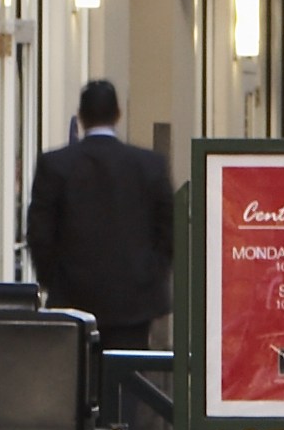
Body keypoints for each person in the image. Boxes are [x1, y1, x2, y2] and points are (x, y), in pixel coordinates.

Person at [23, 78, 174, 343]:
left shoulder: (55, 165)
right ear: (118, 114)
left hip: (72, 298)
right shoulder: (149, 166)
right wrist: (151, 274)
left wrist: (54, 280)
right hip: (134, 300)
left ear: (80, 117)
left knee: (78, 378)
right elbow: (168, 230)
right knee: (128, 376)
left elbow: (40, 234)